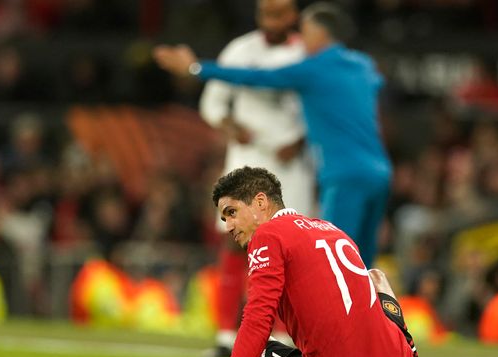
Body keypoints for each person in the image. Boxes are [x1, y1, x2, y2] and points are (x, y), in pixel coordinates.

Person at [153, 2, 392, 269]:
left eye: (307, 31)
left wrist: (195, 68)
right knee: (365, 260)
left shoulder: (312, 67)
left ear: (320, 34)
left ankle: (327, 312)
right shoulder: (363, 65)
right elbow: (375, 83)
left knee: (335, 258)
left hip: (343, 174)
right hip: (379, 170)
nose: (304, 37)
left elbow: (259, 77)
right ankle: (371, 310)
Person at [184, 166, 424, 357]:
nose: (228, 226)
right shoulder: (332, 230)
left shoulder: (267, 235)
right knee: (377, 277)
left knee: (258, 352)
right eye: (225, 218)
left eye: (232, 212)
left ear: (260, 202)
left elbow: (258, 319)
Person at [198, 0, 314, 357]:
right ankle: (224, 336)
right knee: (234, 245)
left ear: (294, 16)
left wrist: (303, 138)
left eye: (280, 13)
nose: (273, 21)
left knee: (291, 248)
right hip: (248, 159)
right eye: (267, 13)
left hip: (291, 165)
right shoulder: (240, 50)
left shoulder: (307, 53)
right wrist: (232, 127)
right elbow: (212, 104)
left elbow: (323, 106)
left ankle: (283, 338)